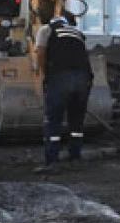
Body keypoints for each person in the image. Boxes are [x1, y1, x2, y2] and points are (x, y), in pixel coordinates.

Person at [35, 15, 94, 172]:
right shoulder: (77, 33)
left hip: (60, 78)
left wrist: (44, 73)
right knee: (76, 121)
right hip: (84, 79)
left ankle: (52, 161)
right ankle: (75, 157)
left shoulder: (46, 30)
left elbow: (40, 52)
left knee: (53, 120)